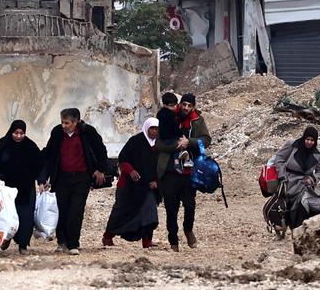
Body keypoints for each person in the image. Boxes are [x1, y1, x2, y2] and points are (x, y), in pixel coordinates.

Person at [38, 108, 110, 255]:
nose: (64, 126)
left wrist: (100, 170)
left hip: (81, 178)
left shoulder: (87, 132)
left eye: (67, 123)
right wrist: (43, 178)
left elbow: (100, 150)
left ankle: (73, 244)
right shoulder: (57, 133)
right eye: (62, 122)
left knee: (76, 211)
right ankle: (61, 242)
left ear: (76, 122)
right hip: (62, 178)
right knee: (62, 210)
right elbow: (49, 155)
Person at [156, 92, 211, 251]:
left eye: (189, 105)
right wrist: (176, 146)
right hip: (169, 172)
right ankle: (173, 240)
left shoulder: (198, 121)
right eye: (184, 105)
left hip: (189, 173)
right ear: (179, 105)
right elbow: (158, 143)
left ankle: (188, 229)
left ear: (193, 107)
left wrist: (190, 142)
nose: (186, 108)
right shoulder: (168, 117)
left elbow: (206, 141)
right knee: (171, 209)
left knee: (190, 205)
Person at [103, 118, 161, 248]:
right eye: (152, 128)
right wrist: (131, 171)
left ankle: (147, 241)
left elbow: (162, 166)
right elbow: (123, 158)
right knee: (121, 212)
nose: (154, 131)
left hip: (148, 186)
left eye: (157, 129)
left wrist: (157, 182)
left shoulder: (160, 144)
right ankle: (108, 236)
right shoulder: (136, 141)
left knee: (150, 213)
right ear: (146, 128)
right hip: (130, 186)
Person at [0, 119, 43, 255]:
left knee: (25, 217)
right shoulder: (3, 144)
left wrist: (40, 180)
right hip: (7, 188)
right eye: (16, 133)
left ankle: (23, 245)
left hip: (26, 188)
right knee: (6, 215)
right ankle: (5, 239)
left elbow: (39, 164)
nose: (19, 136)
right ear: (11, 132)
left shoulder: (30, 146)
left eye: (22, 133)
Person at [271, 125, 320, 229]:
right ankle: (283, 222)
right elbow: (279, 158)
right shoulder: (292, 145)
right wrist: (282, 176)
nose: (309, 142)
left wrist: (312, 179)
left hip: (306, 183)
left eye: (312, 140)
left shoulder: (317, 154)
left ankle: (305, 227)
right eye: (307, 139)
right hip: (289, 180)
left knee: (310, 203)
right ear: (304, 138)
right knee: (285, 201)